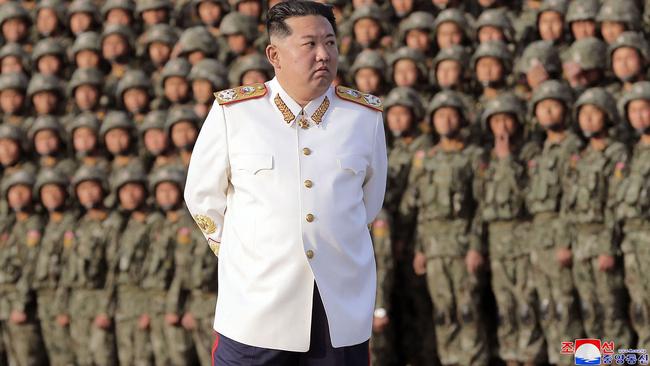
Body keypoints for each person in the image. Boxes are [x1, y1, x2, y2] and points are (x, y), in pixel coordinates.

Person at [183, 1, 387, 364]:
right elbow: (202, 195)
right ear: (274, 54)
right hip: (256, 309)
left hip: (337, 311)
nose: (324, 55)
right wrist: (247, 252)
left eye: (330, 43)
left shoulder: (362, 117)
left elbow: (367, 204)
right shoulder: (236, 113)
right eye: (310, 44)